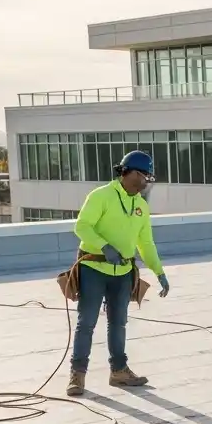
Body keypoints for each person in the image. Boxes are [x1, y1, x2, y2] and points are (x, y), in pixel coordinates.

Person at [66, 150, 170, 397]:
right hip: (93, 269)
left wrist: (159, 272)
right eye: (144, 175)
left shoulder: (141, 206)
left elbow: (146, 243)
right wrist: (104, 247)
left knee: (118, 323)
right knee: (86, 323)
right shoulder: (101, 196)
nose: (146, 181)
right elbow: (82, 226)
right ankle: (77, 375)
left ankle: (119, 371)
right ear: (129, 173)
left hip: (123, 272)